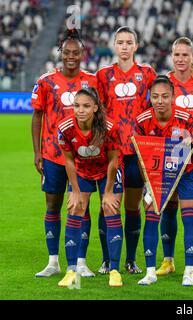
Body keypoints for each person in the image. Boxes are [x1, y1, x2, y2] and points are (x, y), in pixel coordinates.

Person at [32, 29, 97, 278]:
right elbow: (37, 116)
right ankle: (53, 261)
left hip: (83, 157)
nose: (71, 56)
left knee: (81, 206)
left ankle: (80, 261)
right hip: (52, 154)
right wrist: (37, 152)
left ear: (82, 54)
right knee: (53, 205)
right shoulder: (46, 81)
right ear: (60, 53)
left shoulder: (92, 82)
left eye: (76, 52)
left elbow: (100, 117)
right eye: (67, 52)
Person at [96, 26, 157, 274]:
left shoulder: (148, 73)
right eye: (120, 42)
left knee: (132, 207)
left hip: (137, 153)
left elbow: (157, 106)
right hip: (111, 153)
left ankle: (131, 260)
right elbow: (96, 111)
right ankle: (107, 260)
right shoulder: (102, 75)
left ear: (136, 46)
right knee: (108, 205)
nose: (124, 46)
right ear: (114, 45)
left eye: (128, 42)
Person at [155, 37, 193, 277]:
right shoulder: (163, 82)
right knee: (168, 204)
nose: (180, 59)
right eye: (176, 55)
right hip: (170, 153)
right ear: (172, 56)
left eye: (185, 55)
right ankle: (168, 260)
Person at [135, 75, 193, 286]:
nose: (160, 100)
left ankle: (188, 271)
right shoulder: (142, 121)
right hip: (156, 176)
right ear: (150, 98)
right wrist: (147, 183)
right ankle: (150, 271)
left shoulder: (186, 119)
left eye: (164, 96)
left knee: (189, 218)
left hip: (186, 174)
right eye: (155, 96)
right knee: (152, 216)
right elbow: (140, 156)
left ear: (173, 97)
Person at [56, 88, 124, 287]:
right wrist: (75, 191)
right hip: (82, 171)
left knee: (111, 209)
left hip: (107, 171)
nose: (80, 110)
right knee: (74, 208)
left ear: (95, 108)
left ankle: (115, 270)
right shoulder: (65, 128)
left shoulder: (109, 128)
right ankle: (71, 271)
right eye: (76, 105)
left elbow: (113, 160)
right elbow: (68, 161)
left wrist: (109, 191)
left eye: (86, 106)